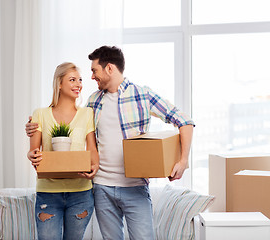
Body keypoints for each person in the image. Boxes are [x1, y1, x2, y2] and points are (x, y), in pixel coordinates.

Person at [26, 46, 195, 240]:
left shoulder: (142, 95)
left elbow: (185, 121)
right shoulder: (93, 102)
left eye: (94, 70)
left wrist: (182, 162)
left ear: (109, 68)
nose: (91, 77)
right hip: (102, 188)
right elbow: (70, 121)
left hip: (135, 188)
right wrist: (33, 126)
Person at [28, 62, 99, 240]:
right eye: (72, 80)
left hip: (81, 193)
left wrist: (94, 166)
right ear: (59, 83)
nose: (79, 85)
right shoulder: (40, 114)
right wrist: (31, 156)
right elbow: (33, 151)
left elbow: (91, 148)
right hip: (48, 194)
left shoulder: (87, 114)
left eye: (80, 80)